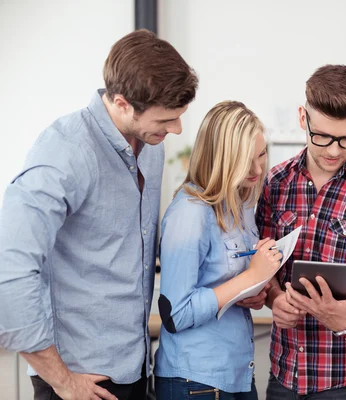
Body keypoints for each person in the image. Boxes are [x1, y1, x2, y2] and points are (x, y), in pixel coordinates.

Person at [0, 29, 198, 400]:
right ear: (122, 103)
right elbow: (9, 271)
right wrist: (62, 380)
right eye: (166, 120)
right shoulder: (65, 151)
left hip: (135, 367)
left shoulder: (150, 145)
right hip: (78, 381)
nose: (177, 129)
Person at [257, 64, 346, 399]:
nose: (334, 150)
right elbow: (264, 268)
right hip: (283, 374)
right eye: (322, 136)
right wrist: (275, 298)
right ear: (302, 118)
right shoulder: (276, 183)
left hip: (345, 382)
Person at [154, 101, 282, 400]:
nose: (257, 168)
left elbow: (220, 284)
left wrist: (250, 294)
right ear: (221, 159)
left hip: (233, 376)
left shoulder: (240, 203)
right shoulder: (190, 212)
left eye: (261, 155)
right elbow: (175, 313)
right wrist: (250, 277)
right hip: (195, 383)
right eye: (244, 160)